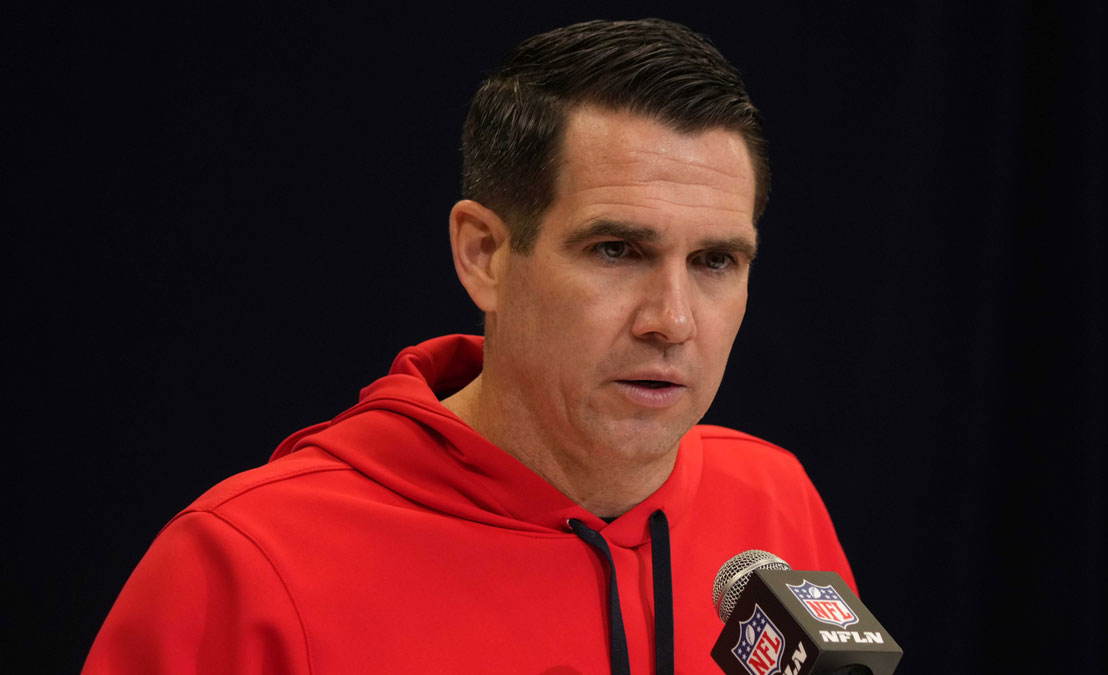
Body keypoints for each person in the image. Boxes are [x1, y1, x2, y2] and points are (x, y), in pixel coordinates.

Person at [83, 18, 854, 675]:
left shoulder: (774, 497)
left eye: (715, 261)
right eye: (616, 250)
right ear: (484, 253)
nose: (673, 320)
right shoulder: (249, 562)